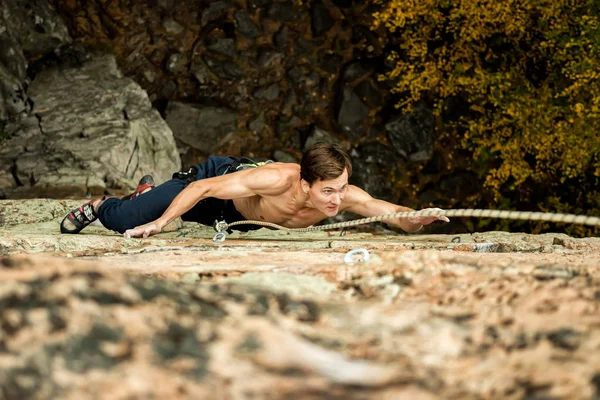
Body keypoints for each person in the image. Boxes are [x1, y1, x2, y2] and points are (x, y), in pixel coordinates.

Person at [60, 142, 449, 238]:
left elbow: (387, 211)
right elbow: (204, 187)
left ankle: (147, 193)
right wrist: (161, 222)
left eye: (341, 189)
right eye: (328, 191)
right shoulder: (275, 179)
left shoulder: (343, 194)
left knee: (150, 211)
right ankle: (105, 204)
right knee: (128, 221)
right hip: (210, 191)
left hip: (242, 222)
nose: (337, 199)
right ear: (303, 184)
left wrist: (419, 219)